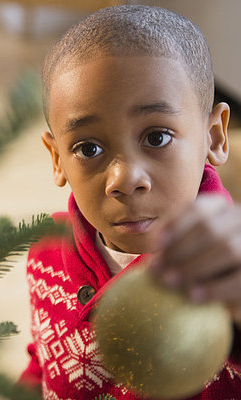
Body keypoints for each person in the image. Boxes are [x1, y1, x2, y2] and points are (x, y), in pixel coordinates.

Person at [19, 4, 241, 399]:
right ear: (56, 158)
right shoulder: (47, 251)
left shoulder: (228, 271)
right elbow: (43, 360)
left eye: (157, 137)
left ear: (215, 136)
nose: (124, 179)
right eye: (88, 148)